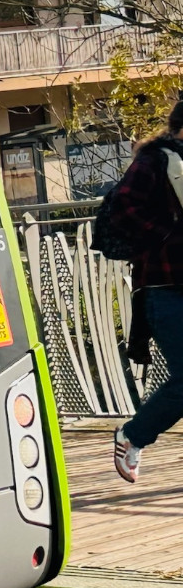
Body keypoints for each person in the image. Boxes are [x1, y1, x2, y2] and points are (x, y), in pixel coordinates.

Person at [110, 99, 183, 482]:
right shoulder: (154, 161)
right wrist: (167, 234)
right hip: (165, 288)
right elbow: (122, 207)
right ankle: (133, 435)